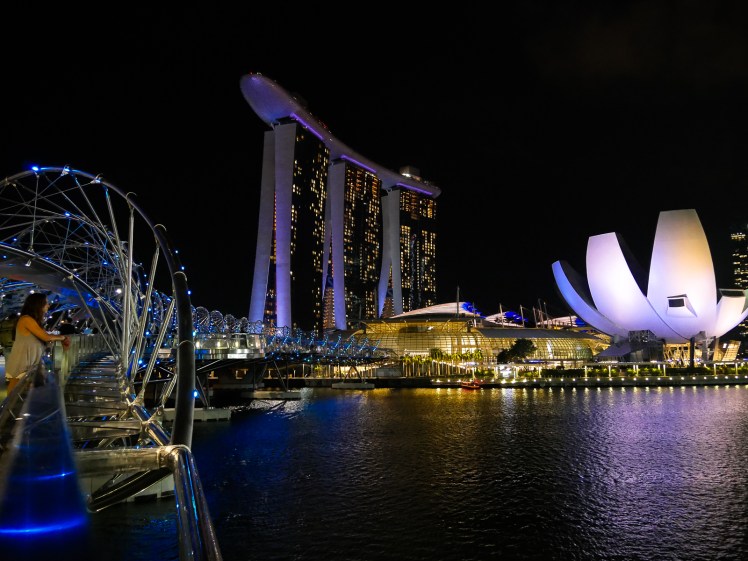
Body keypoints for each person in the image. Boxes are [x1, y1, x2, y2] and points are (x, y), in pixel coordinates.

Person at [4, 293, 69, 394]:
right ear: (38, 305)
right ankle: (6, 409)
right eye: (46, 303)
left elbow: (44, 339)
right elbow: (45, 337)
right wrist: (63, 337)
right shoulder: (26, 319)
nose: (48, 305)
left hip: (29, 361)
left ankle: (14, 409)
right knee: (14, 390)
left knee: (19, 390)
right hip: (22, 361)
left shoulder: (33, 321)